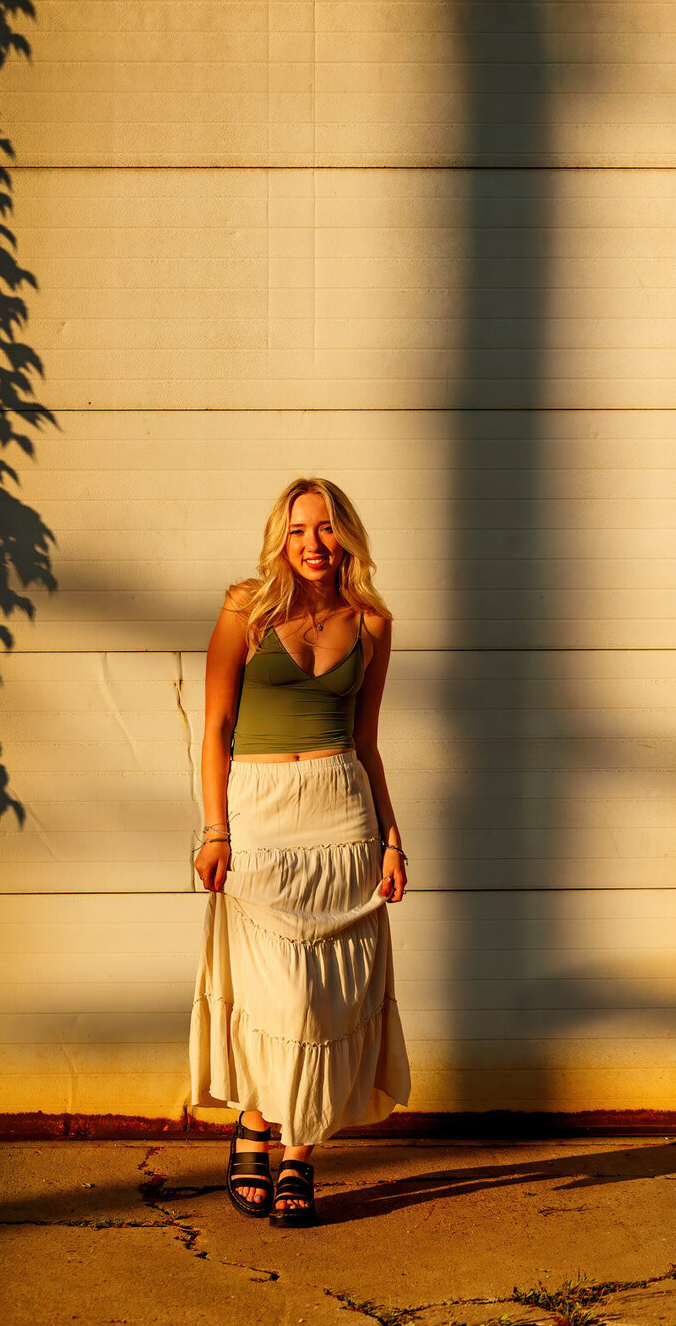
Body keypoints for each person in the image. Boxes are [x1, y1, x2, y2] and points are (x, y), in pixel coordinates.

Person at [191, 477, 411, 1226]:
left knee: (326, 1000)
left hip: (340, 814)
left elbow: (369, 741)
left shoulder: (373, 622)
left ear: (346, 533)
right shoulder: (245, 608)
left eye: (324, 528)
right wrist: (216, 827)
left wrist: (391, 838)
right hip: (260, 814)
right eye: (297, 531)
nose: (312, 543)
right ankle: (255, 1119)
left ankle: (300, 1152)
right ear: (279, 540)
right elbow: (217, 726)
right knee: (274, 991)